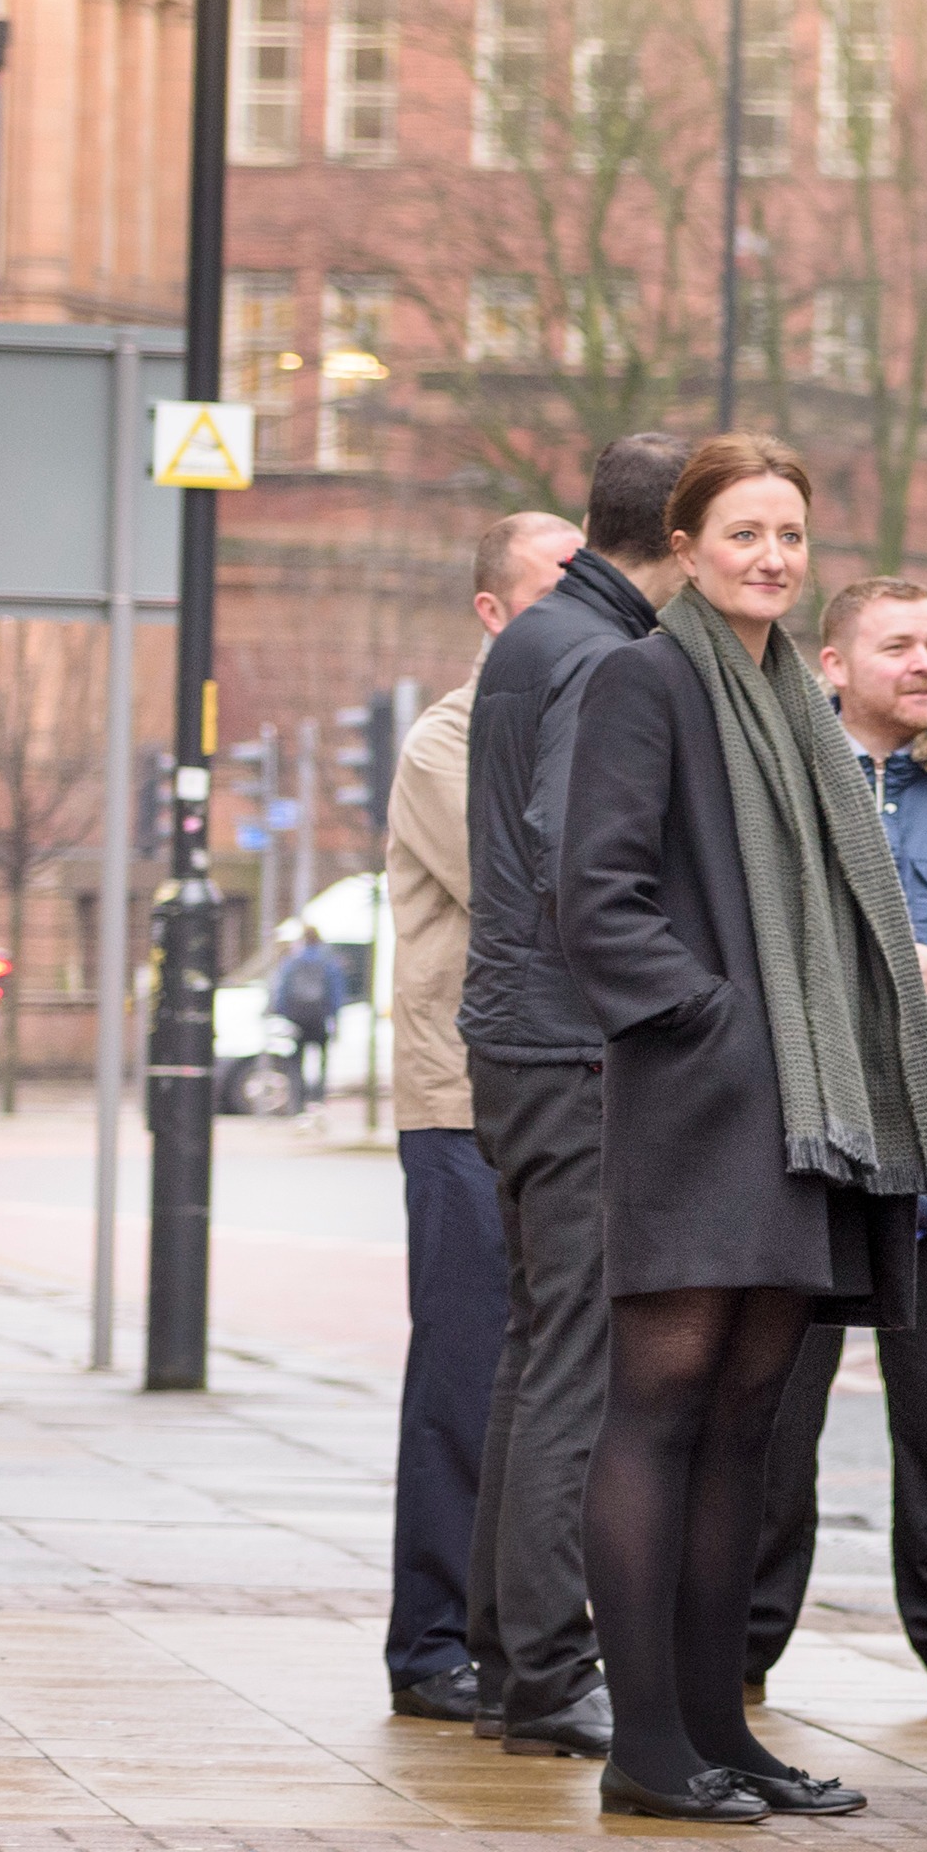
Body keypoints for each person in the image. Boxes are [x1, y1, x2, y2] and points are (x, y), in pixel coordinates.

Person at [548, 437, 927, 1824]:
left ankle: (721, 1727)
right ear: (686, 544)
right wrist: (714, 1017)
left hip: (803, 1108)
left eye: (790, 531)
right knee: (658, 1405)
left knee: (744, 1422)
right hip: (702, 1098)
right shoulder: (643, 679)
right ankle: (647, 1742)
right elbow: (595, 896)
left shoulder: (796, 697)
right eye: (743, 531)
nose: (772, 556)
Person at [458, 430, 690, 1760]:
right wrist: (666, 989)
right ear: (678, 534)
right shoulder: (604, 657)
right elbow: (571, 844)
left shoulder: (537, 641)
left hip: (520, 1034)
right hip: (570, 1043)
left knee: (536, 1346)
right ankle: (547, 1666)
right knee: (576, 1358)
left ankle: (513, 1654)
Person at [741, 578, 927, 1718]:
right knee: (773, 1417)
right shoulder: (784, 779)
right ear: (833, 662)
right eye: (898, 643)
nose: (925, 662)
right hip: (809, 1148)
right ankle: (743, 1644)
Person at [380, 510, 578, 1723]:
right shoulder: (447, 741)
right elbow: (534, 885)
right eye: (554, 589)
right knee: (465, 1370)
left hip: (557, 1091)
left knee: (547, 1374)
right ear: (493, 614)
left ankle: (521, 1636)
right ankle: (432, 1643)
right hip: (461, 1099)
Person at [268, 929, 346, 1103]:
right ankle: (318, 1098)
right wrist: (335, 1019)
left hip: (297, 1018)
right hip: (320, 1018)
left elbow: (282, 990)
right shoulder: (328, 962)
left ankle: (298, 1101)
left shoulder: (292, 962)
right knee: (322, 1061)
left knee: (296, 1061)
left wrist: (282, 1013)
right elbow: (336, 994)